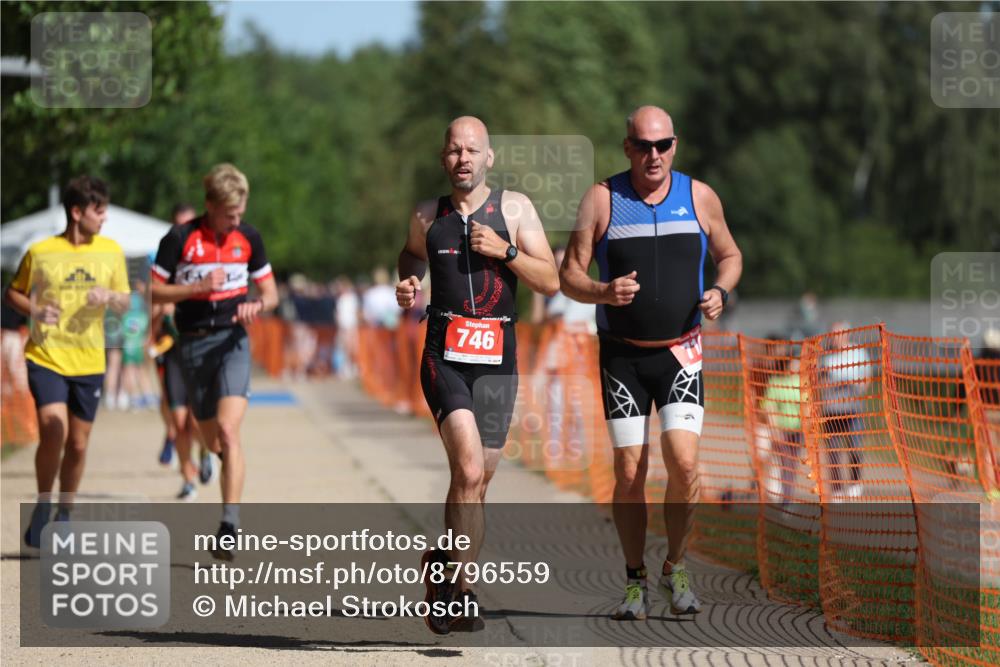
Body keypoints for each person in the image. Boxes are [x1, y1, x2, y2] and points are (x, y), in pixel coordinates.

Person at [559, 106, 743, 620]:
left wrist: (720, 291)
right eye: (643, 146)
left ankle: (675, 566)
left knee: (684, 464)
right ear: (628, 148)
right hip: (623, 357)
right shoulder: (602, 199)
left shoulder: (699, 196)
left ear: (674, 146)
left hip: (681, 354)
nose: (654, 155)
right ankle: (635, 578)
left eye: (662, 145)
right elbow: (569, 275)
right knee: (629, 470)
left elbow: (730, 256)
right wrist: (602, 291)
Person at [396, 116, 559, 634]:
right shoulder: (427, 215)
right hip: (443, 357)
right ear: (443, 158)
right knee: (467, 472)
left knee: (480, 482)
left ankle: (452, 575)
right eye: (453, 150)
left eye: (471, 150)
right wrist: (408, 282)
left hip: (498, 363)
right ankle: (454, 590)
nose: (462, 158)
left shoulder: (514, 210)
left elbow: (550, 280)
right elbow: (410, 256)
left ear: (489, 157)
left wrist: (506, 251)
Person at [151, 163, 278, 559]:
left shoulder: (249, 238)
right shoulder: (179, 238)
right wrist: (196, 288)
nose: (236, 221)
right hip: (192, 345)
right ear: (210, 205)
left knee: (228, 431)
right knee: (211, 440)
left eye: (240, 213)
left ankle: (229, 526)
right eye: (229, 215)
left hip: (232, 341)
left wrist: (257, 305)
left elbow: (271, 294)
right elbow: (152, 292)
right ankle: (222, 467)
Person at [5, 175, 131, 547]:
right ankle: (44, 503)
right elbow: (13, 293)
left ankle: (65, 511)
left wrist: (109, 296)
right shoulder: (41, 251)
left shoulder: (111, 251)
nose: (104, 218)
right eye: (98, 211)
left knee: (77, 445)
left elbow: (125, 301)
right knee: (53, 427)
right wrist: (35, 309)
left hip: (89, 361)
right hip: (47, 355)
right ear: (77, 212)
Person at [819, 321, 873, 499]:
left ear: (847, 334)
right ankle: (837, 489)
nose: (837, 338)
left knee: (855, 448)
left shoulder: (858, 353)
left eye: (840, 334)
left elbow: (866, 379)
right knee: (833, 453)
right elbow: (819, 382)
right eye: (834, 335)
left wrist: (853, 384)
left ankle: (855, 483)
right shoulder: (825, 356)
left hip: (853, 410)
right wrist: (831, 384)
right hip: (831, 411)